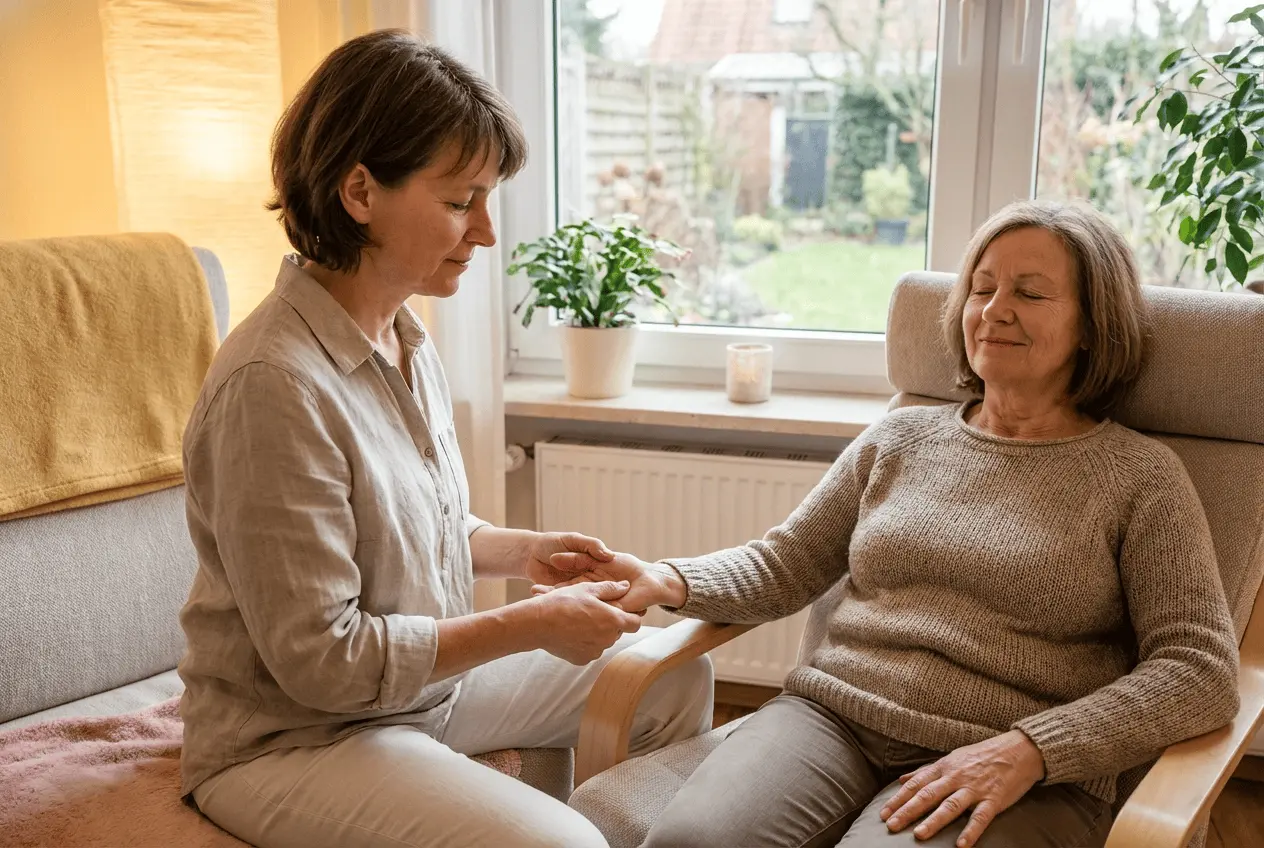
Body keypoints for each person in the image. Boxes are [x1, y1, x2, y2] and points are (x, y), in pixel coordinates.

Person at [546, 200, 1240, 848]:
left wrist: (1034, 749)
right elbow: (786, 563)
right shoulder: (901, 438)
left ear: (1092, 325)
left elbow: (1199, 669)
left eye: (1030, 294)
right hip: (834, 717)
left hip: (1007, 754)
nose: (995, 310)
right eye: (982, 288)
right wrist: (666, 578)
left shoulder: (1140, 477)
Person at [176, 30, 712, 848]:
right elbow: (324, 661)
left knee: (671, 676)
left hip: (420, 697)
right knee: (562, 844)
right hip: (295, 739)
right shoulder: (273, 387)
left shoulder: (402, 339)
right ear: (360, 191)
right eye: (463, 201)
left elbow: (412, 527)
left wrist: (524, 553)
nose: (486, 232)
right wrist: (531, 624)